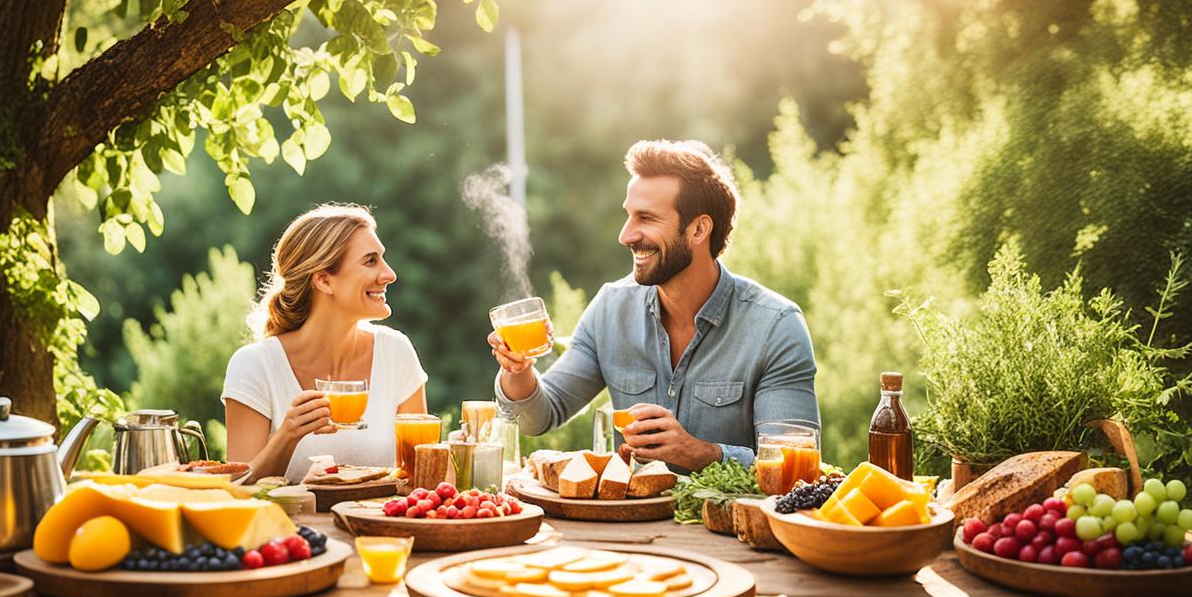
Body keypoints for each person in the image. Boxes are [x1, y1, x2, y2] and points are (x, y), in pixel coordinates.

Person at [489, 139, 819, 472]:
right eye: (628, 216)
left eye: (646, 218)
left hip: (731, 523)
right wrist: (518, 371)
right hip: (631, 522)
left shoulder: (775, 326)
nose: (626, 235)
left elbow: (795, 467)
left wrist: (703, 453)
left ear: (699, 229)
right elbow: (540, 416)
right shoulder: (610, 310)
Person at [223, 204, 428, 483]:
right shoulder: (255, 366)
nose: (389, 274)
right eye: (370, 261)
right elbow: (236, 490)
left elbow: (419, 475)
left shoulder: (396, 352)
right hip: (287, 527)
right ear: (323, 280)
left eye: (382, 259)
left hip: (380, 526)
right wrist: (288, 435)